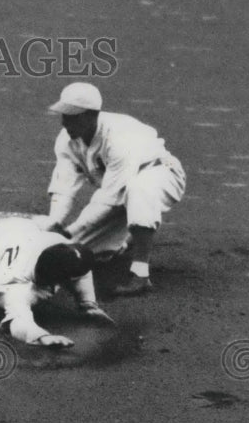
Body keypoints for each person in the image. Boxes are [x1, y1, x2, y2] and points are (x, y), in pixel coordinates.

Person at [45, 82, 186, 296]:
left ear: (92, 115)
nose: (65, 122)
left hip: (161, 174)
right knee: (75, 250)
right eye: (64, 114)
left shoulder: (119, 137)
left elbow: (108, 199)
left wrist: (69, 230)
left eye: (73, 116)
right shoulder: (66, 141)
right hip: (119, 191)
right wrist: (53, 224)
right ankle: (125, 241)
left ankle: (140, 273)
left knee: (139, 188)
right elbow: (64, 188)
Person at [0, 211, 114, 348]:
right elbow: (17, 322)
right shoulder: (13, 284)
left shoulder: (58, 242)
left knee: (53, 225)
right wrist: (42, 338)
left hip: (12, 225)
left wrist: (88, 304)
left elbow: (81, 269)